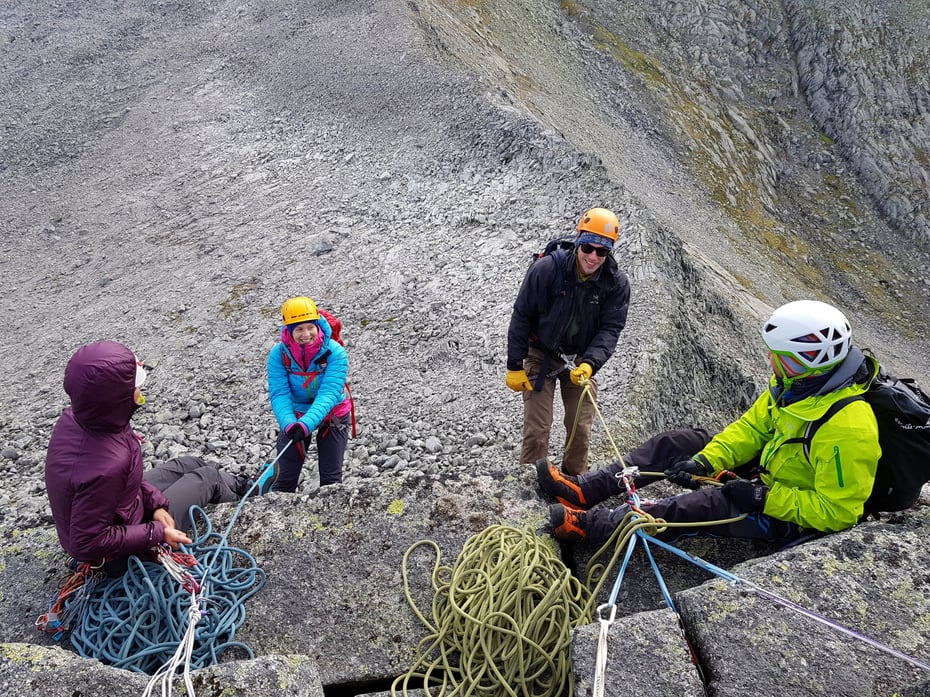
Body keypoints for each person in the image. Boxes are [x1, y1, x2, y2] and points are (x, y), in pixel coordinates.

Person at [540, 300, 881, 547]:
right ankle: (586, 490)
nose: (769, 358)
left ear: (807, 360)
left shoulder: (848, 428)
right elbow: (752, 430)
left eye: (779, 354)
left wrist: (763, 497)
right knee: (678, 443)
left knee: (701, 507)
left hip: (786, 515)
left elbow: (838, 511)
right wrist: (706, 461)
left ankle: (594, 527)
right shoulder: (795, 386)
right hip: (766, 475)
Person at [44, 340, 270, 573]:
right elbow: (87, 543)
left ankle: (244, 485)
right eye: (135, 386)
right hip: (121, 554)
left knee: (188, 463)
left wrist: (157, 505)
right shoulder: (108, 465)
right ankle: (249, 503)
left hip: (124, 509)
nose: (139, 391)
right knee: (208, 478)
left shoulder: (86, 418)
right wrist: (157, 531)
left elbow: (125, 480)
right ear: (116, 399)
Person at [506, 207, 631, 476]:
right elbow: (522, 315)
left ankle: (575, 483)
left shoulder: (615, 283)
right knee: (538, 428)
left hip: (579, 362)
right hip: (541, 355)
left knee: (581, 427)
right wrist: (515, 365)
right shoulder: (547, 268)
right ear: (578, 242)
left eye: (603, 251)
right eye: (588, 247)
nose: (593, 256)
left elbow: (611, 328)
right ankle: (531, 483)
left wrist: (590, 363)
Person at [267, 296, 351, 490]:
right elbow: (280, 393)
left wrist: (305, 425)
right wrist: (289, 424)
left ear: (317, 325)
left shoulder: (335, 352)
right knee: (284, 481)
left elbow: (329, 393)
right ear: (289, 330)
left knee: (331, 482)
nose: (306, 334)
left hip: (333, 415)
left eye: (310, 327)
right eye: (299, 329)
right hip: (296, 415)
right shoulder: (278, 355)